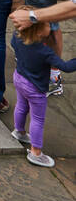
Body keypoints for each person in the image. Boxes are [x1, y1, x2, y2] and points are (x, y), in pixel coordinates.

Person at [10, 18, 76, 168]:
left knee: (21, 106)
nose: (52, 27)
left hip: (19, 78)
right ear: (39, 31)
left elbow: (13, 45)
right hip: (35, 88)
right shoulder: (45, 52)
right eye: (48, 25)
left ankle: (19, 131)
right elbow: (64, 66)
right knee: (38, 119)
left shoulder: (17, 37)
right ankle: (36, 152)